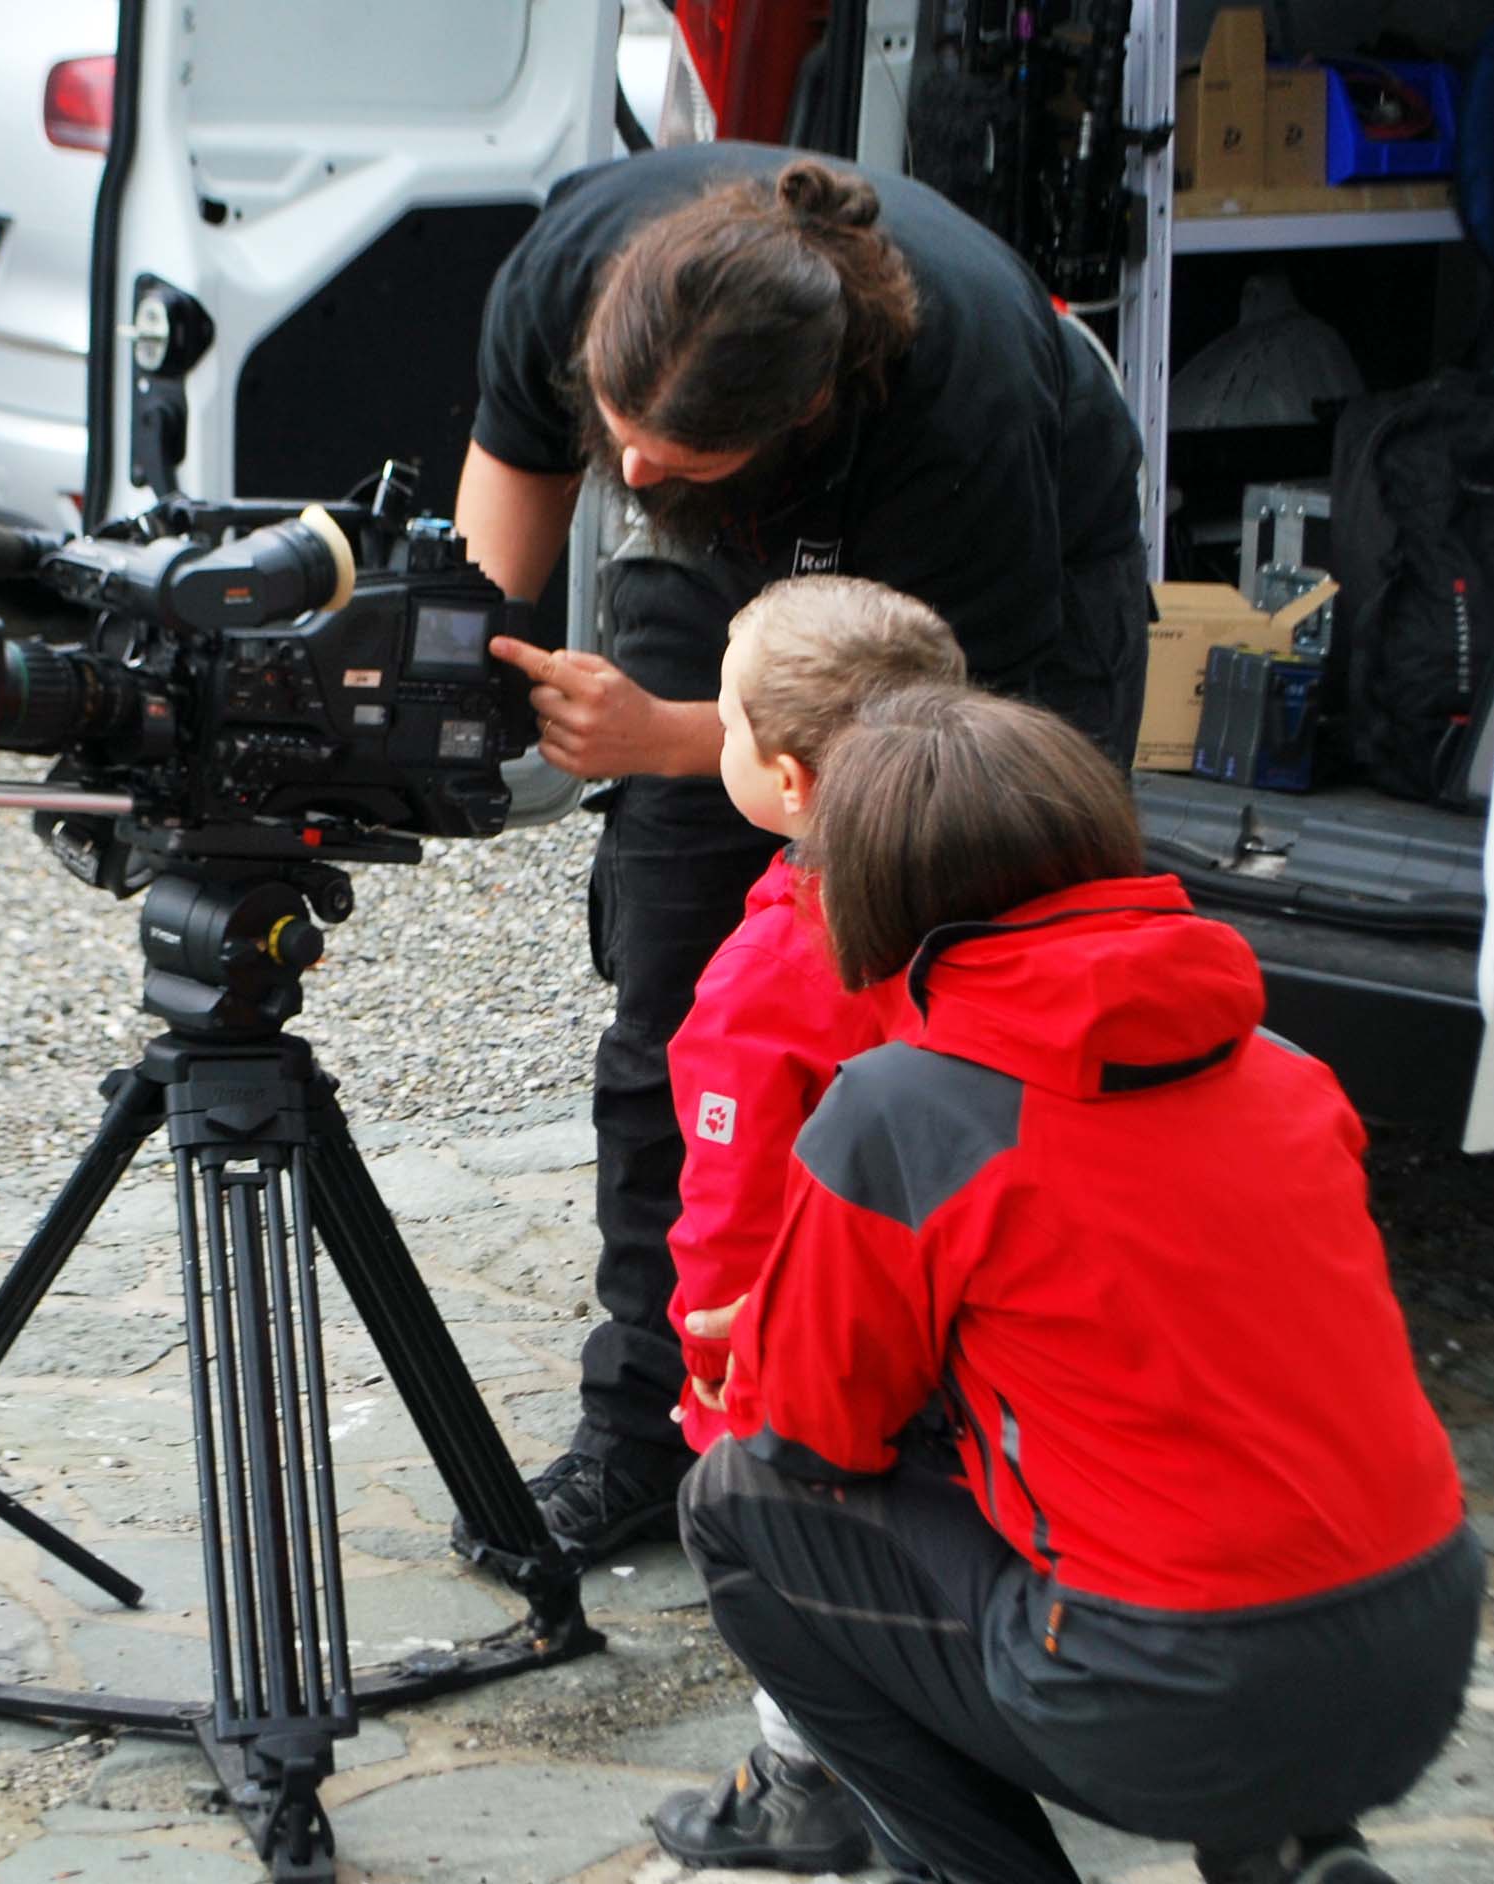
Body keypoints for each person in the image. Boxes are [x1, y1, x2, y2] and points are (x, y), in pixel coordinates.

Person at [461, 142, 1150, 1565]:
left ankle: (942, 1419)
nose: (632, 467)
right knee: (676, 1001)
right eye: (618, 424)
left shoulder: (957, 416)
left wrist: (663, 736)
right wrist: (456, 681)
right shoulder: (580, 270)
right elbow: (511, 508)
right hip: (730, 564)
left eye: (673, 457)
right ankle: (644, 1431)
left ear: (804, 410)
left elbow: (927, 750)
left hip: (978, 626)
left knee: (934, 1005)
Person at [682, 685, 1479, 1884]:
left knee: (733, 1502)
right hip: (1421, 1650)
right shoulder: (1289, 1067)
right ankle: (1292, 1852)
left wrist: (765, 1332)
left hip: (1158, 1691)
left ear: (865, 894)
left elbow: (812, 1432)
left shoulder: (903, 1109)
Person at [640, 575, 963, 1875]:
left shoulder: (772, 971)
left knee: (782, 1566)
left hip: (813, 1352)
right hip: (972, 1333)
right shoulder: (989, 900)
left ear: (781, 779)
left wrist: (712, 1375)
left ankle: (801, 1781)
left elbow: (729, 1213)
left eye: (721, 722)